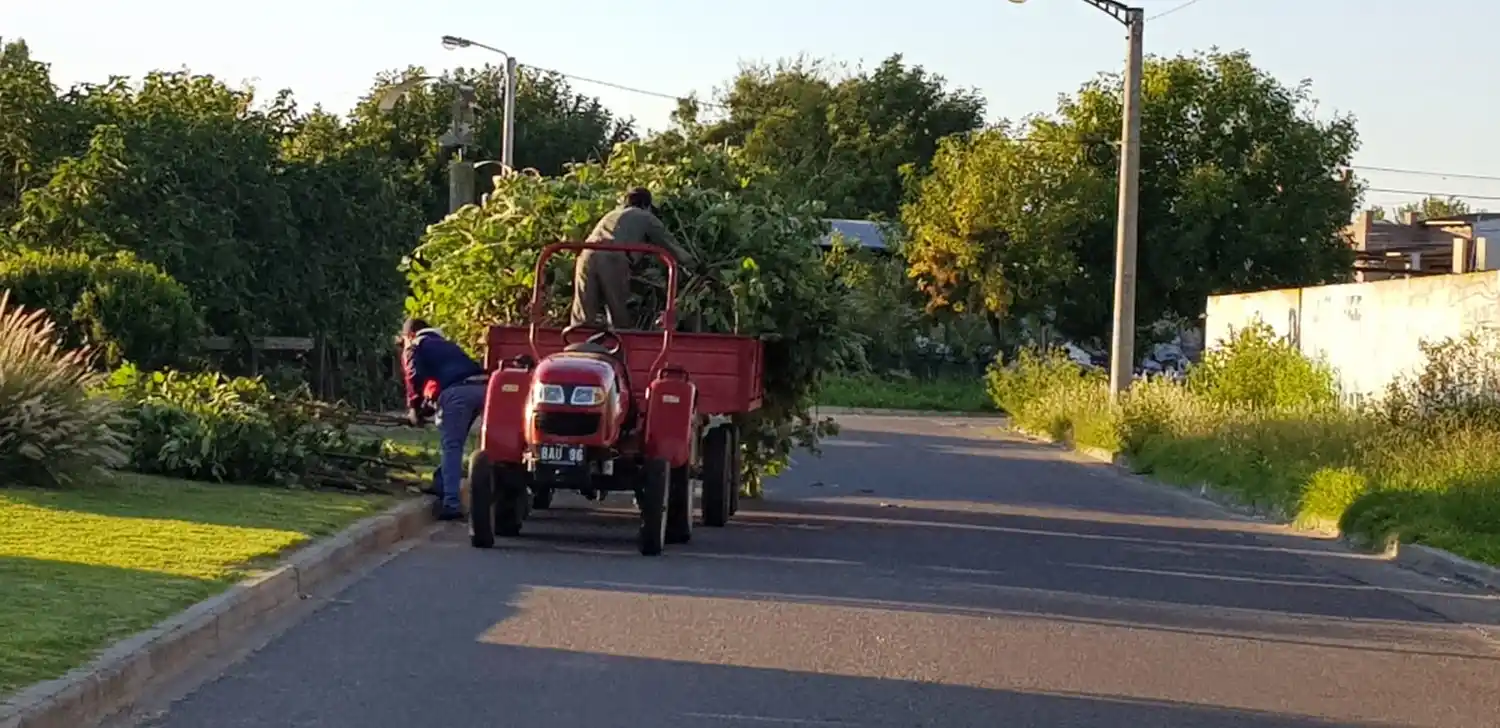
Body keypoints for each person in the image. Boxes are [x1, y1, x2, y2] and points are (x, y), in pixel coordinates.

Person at [571, 186, 696, 328]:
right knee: (619, 311)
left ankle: (576, 343)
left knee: (583, 312)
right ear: (646, 205)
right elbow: (670, 245)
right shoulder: (646, 216)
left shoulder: (611, 214)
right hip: (612, 257)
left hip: (586, 255)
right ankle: (622, 344)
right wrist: (693, 264)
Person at [401, 318, 487, 521]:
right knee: (456, 441)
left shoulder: (416, 345)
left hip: (458, 392)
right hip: (483, 388)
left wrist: (414, 409)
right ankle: (440, 482)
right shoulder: (446, 345)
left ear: (410, 335)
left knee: (451, 445)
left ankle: (451, 503)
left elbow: (413, 377)